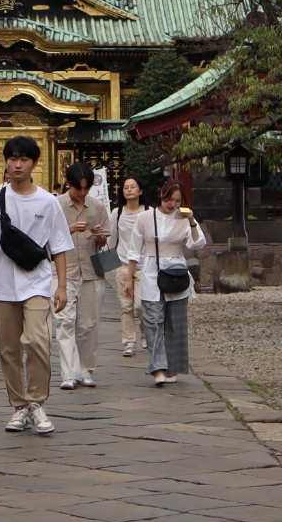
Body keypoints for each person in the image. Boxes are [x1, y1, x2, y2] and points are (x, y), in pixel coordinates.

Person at [0, 137, 74, 433]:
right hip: (2, 284)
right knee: (8, 349)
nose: (17, 164)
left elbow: (60, 245)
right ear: (6, 161)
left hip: (37, 281)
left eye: (24, 159)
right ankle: (19, 406)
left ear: (34, 163)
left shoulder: (48, 202)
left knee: (38, 341)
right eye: (12, 158)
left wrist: (61, 285)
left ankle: (38, 403)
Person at [124, 180, 206, 386]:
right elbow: (134, 250)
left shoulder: (184, 219)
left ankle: (173, 366)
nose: (173, 204)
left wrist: (192, 221)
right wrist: (128, 278)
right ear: (161, 194)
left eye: (177, 200)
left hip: (177, 272)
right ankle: (158, 366)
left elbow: (197, 244)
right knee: (152, 321)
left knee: (175, 323)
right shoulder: (144, 218)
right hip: (151, 271)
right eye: (170, 199)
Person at [54, 162, 109, 390]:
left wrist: (98, 236)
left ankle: (86, 369)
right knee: (64, 321)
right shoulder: (56, 206)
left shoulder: (97, 206)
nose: (83, 192)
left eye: (87, 188)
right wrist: (69, 229)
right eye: (79, 188)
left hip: (91, 272)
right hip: (63, 273)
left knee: (87, 324)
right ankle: (69, 373)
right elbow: (47, 238)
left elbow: (105, 241)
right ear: (69, 184)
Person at [114, 176, 149, 356]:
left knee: (140, 305)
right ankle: (129, 341)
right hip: (122, 264)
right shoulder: (117, 213)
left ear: (140, 190)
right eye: (126, 187)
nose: (129, 190)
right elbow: (111, 239)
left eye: (133, 187)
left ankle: (145, 331)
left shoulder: (148, 212)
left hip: (144, 264)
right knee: (125, 306)